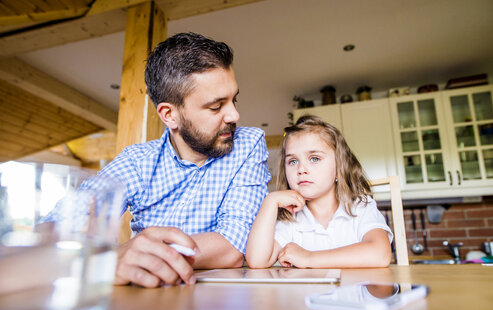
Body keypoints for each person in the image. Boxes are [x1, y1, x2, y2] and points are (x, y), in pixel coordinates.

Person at [40, 32, 271, 287]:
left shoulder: (248, 144)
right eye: (216, 106)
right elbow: (50, 231)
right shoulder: (137, 162)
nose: (234, 115)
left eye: (234, 99)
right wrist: (114, 256)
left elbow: (233, 245)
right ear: (169, 115)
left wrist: (147, 254)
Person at [245, 115, 392, 269]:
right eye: (293, 161)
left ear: (339, 167)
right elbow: (257, 261)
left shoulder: (360, 207)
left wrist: (308, 258)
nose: (301, 169)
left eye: (314, 158)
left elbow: (380, 254)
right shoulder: (290, 219)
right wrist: (270, 201)